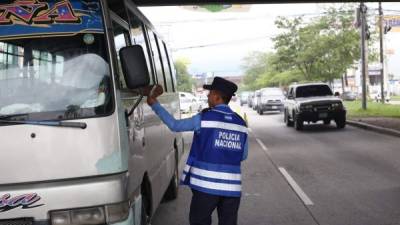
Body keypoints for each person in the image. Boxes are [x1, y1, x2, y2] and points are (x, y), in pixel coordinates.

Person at [147, 77, 248, 225]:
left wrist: (155, 104)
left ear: (217, 96)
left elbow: (175, 125)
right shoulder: (241, 123)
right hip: (232, 188)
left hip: (205, 187)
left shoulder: (204, 118)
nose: (207, 96)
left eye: (210, 93)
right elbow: (243, 155)